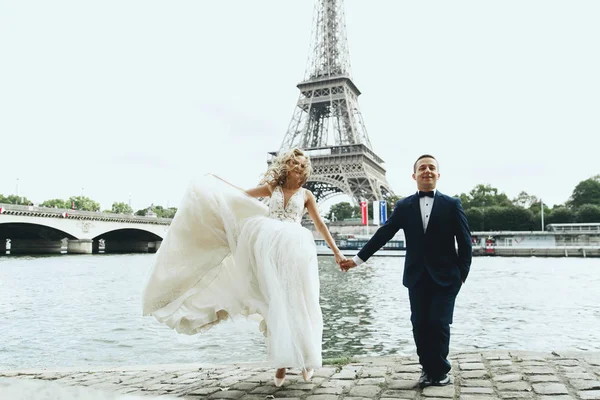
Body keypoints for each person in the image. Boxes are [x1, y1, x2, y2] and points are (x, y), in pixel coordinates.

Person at [142, 148, 345, 387]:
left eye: (301, 164)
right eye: (294, 162)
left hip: (297, 251)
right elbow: (239, 196)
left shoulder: (307, 195)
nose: (298, 166)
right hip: (270, 249)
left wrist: (337, 252)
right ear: (287, 165)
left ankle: (306, 361)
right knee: (277, 304)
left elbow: (320, 226)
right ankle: (282, 363)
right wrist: (218, 181)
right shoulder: (273, 189)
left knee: (301, 301)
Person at [340, 154, 472, 387]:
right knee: (420, 324)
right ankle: (427, 369)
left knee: (439, 323)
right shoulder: (404, 206)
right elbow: (384, 234)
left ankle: (440, 371)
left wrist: (461, 276)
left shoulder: (453, 205)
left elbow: (465, 243)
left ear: (438, 175)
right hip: (417, 276)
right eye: (422, 168)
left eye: (432, 167)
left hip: (446, 278)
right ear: (414, 175)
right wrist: (358, 260)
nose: (427, 171)